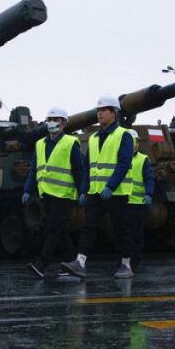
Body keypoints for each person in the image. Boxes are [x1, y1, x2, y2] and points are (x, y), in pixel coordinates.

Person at [60, 95, 135, 279]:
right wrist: (84, 189)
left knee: (120, 230)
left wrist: (111, 186)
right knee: (89, 227)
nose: (99, 113)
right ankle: (80, 262)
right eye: (98, 110)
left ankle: (126, 264)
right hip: (95, 192)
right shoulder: (93, 138)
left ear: (114, 113)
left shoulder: (123, 135)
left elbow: (124, 164)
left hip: (116, 193)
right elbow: (87, 167)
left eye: (103, 110)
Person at [22, 107, 85, 278]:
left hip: (63, 194)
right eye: (49, 119)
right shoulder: (40, 144)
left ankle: (41, 264)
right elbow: (34, 170)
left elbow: (79, 170)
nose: (52, 123)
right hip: (46, 194)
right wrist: (28, 189)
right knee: (60, 230)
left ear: (64, 123)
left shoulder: (70, 143)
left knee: (53, 229)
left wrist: (81, 191)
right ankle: (74, 265)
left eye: (56, 120)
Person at [125, 130, 154, 271]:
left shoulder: (143, 159)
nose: (134, 145)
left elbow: (149, 178)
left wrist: (148, 193)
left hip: (137, 203)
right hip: (122, 202)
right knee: (122, 234)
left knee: (135, 235)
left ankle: (134, 261)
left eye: (135, 142)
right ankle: (124, 261)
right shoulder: (118, 158)